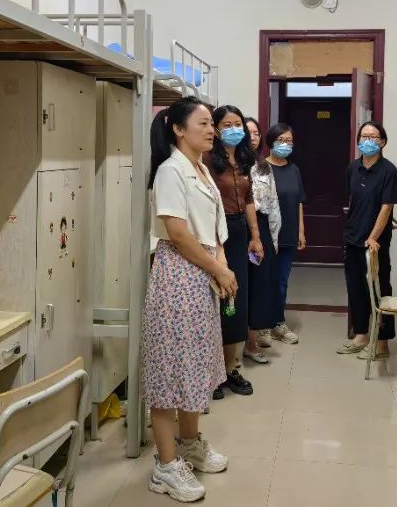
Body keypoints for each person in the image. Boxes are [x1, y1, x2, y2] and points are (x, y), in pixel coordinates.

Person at [142, 96, 237, 502]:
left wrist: (222, 263)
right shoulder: (171, 170)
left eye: (212, 123)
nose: (212, 129)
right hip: (179, 275)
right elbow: (178, 234)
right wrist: (218, 268)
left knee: (195, 364)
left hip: (202, 271)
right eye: (203, 123)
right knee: (170, 370)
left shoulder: (201, 168)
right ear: (178, 129)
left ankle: (190, 444)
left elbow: (213, 226)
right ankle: (165, 467)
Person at [207, 105, 264, 399]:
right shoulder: (207, 160)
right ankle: (213, 372)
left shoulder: (244, 159)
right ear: (216, 129)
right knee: (217, 301)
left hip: (240, 231)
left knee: (236, 302)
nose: (234, 129)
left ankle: (231, 368)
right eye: (227, 124)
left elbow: (249, 199)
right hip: (216, 233)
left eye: (237, 124)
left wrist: (255, 237)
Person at [337, 121, 397, 361]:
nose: (368, 140)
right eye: (364, 136)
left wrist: (373, 236)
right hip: (353, 237)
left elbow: (386, 207)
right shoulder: (353, 168)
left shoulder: (389, 171)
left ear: (382, 142)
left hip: (376, 243)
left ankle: (383, 343)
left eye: (374, 137)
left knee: (380, 289)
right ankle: (361, 335)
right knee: (355, 288)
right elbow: (355, 200)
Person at [243, 117, 282, 362]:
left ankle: (252, 342)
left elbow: (273, 203)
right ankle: (230, 345)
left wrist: (273, 238)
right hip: (239, 227)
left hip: (262, 227)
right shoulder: (229, 164)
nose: (254, 137)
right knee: (239, 283)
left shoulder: (264, 167)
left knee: (259, 285)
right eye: (249, 133)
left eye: (257, 133)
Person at [264, 123, 305, 345]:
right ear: (270, 142)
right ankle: (261, 325)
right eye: (280, 140)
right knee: (264, 280)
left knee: (281, 281)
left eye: (289, 141)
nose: (285, 144)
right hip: (266, 235)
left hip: (288, 234)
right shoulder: (260, 168)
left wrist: (301, 231)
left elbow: (299, 202)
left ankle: (278, 323)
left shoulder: (294, 169)